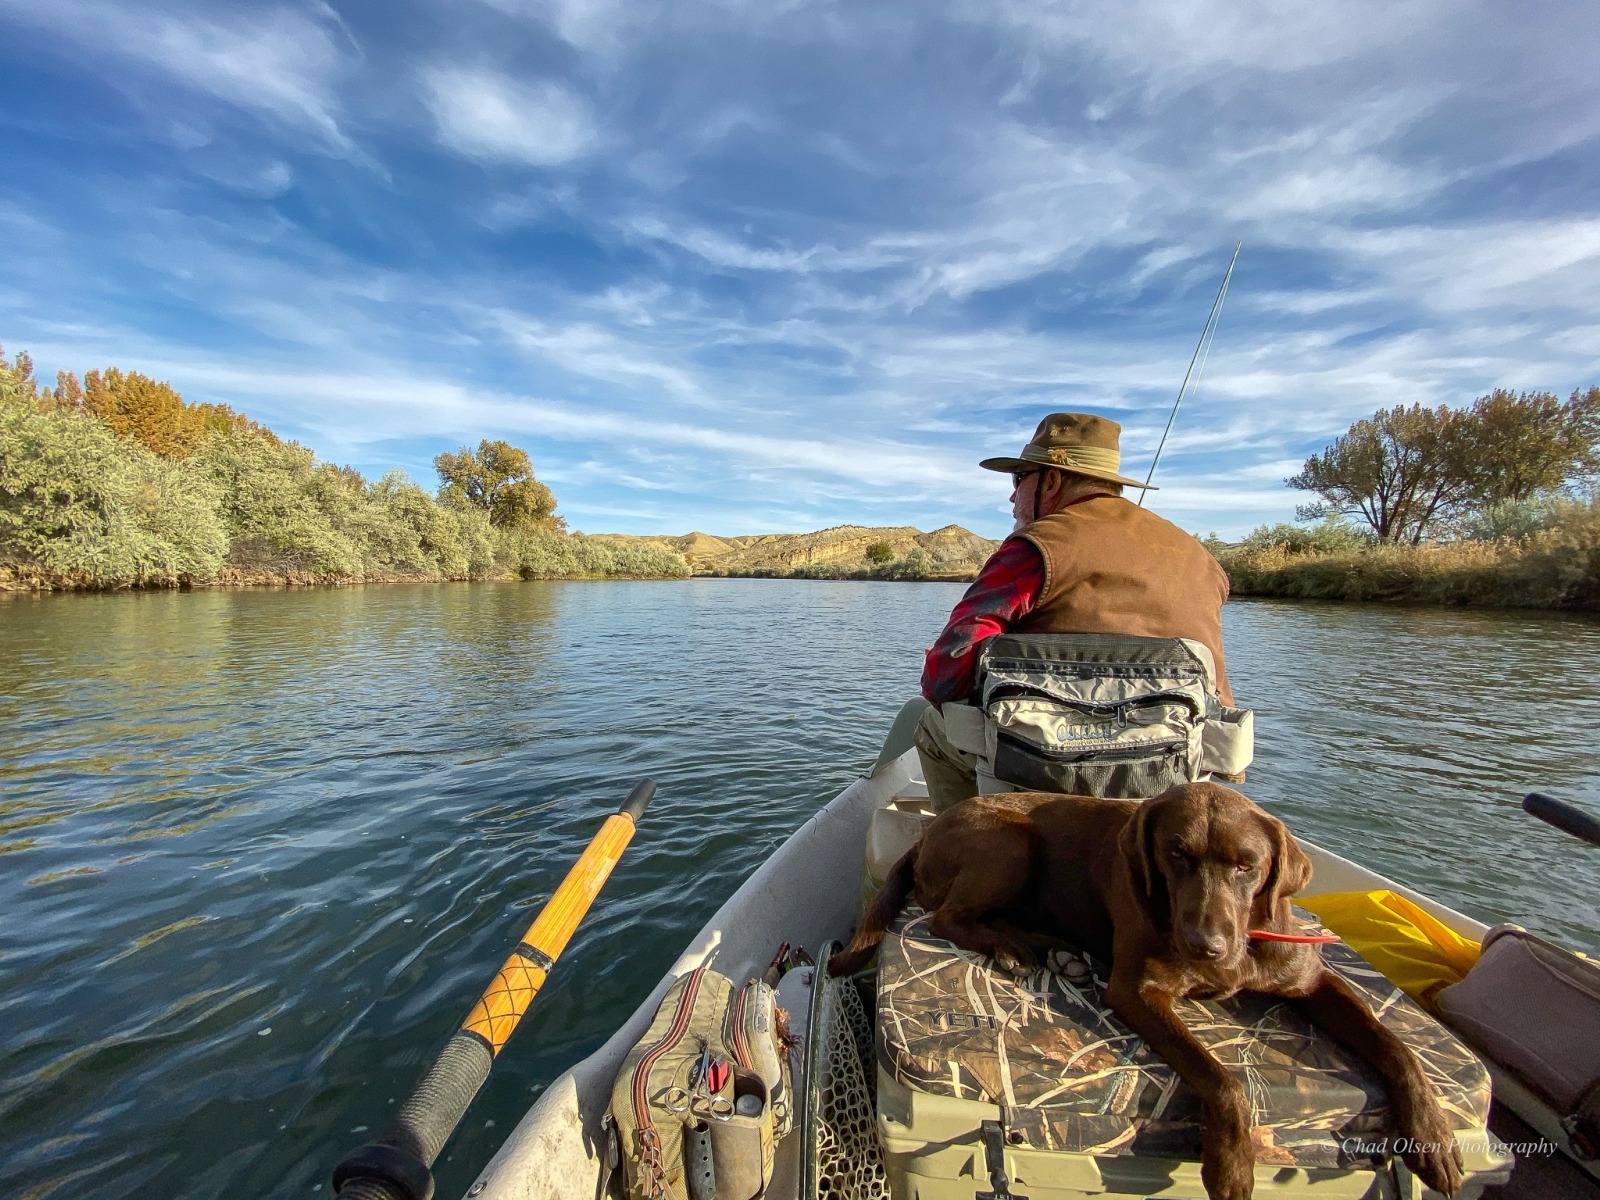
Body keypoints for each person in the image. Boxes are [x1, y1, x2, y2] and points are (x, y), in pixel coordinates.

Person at [915, 411, 1237, 808]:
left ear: (1050, 480)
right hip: (1164, 780)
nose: (1013, 496)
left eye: (1019, 480)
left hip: (1041, 772)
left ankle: (958, 849)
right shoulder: (1200, 560)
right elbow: (1220, 689)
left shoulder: (1035, 547)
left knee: (930, 727)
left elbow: (946, 671)